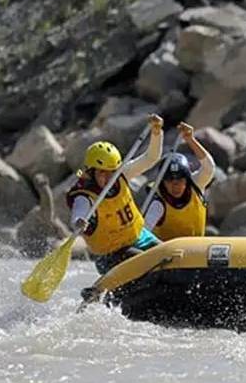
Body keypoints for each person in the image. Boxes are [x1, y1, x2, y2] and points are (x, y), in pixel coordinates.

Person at [67, 114, 164, 274]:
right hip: (110, 254)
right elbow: (79, 213)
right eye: (102, 173)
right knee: (148, 262)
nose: (108, 177)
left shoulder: (122, 175)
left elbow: (151, 158)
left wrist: (156, 131)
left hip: (140, 237)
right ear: (91, 172)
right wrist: (79, 222)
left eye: (112, 172)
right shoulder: (84, 196)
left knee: (170, 255)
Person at [143, 122, 216, 240]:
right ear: (163, 182)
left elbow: (209, 167)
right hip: (168, 255)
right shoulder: (158, 203)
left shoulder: (196, 185)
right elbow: (145, 231)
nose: (175, 186)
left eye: (180, 180)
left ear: (186, 179)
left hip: (196, 250)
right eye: (169, 181)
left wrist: (190, 140)